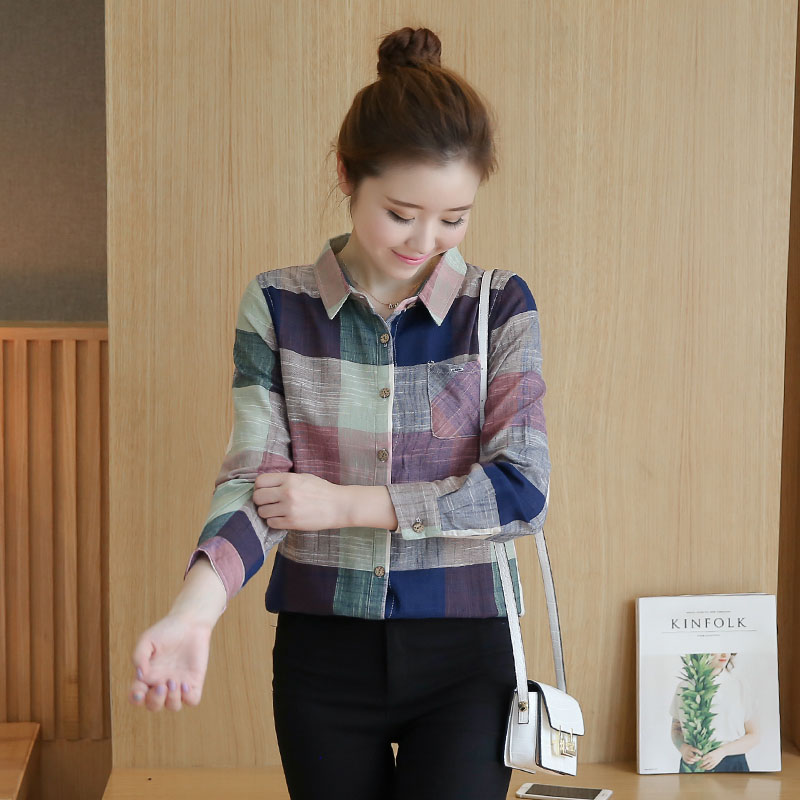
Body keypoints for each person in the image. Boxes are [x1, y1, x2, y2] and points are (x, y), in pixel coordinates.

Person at [128, 25, 550, 800]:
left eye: (453, 218)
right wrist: (194, 613)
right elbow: (254, 483)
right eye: (402, 213)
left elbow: (521, 491)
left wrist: (347, 505)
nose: (426, 240)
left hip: (468, 653)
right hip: (324, 657)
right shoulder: (278, 305)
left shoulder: (499, 308)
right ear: (347, 175)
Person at [669, 652, 760, 772]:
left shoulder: (739, 686)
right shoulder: (685, 687)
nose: (724, 654)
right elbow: (676, 729)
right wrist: (683, 748)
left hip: (732, 764)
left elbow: (754, 735)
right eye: (717, 648)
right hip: (694, 765)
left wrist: (722, 752)